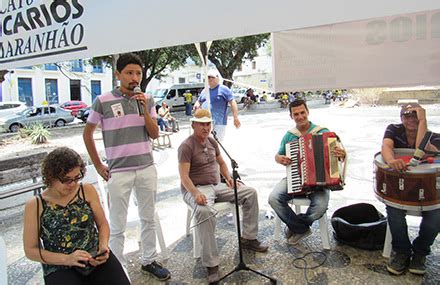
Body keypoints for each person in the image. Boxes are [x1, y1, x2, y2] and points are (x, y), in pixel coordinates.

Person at [83, 53, 170, 281]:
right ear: (118, 74)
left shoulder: (147, 99)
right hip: (119, 171)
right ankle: (116, 266)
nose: (134, 77)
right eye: (130, 73)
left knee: (148, 217)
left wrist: (143, 108)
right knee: (117, 222)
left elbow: (154, 134)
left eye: (138, 73)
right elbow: (88, 134)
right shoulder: (103, 101)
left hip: (145, 167)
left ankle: (149, 259)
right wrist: (99, 164)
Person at [178, 109, 268, 283]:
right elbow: (183, 176)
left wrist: (228, 177)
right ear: (193, 125)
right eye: (201, 124)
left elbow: (221, 162)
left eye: (208, 124)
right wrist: (195, 193)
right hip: (196, 188)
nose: (205, 127)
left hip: (216, 185)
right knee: (204, 212)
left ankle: (248, 238)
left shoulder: (212, 141)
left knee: (250, 193)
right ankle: (211, 264)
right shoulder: (186, 146)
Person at [22, 147, 130, 285]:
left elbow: (102, 224)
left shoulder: (86, 190)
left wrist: (103, 247)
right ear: (51, 177)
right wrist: (67, 259)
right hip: (59, 265)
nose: (73, 184)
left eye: (77, 178)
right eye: (66, 180)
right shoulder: (36, 205)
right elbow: (30, 250)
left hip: (93, 255)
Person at [268, 99, 346, 245]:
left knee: (320, 207)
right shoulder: (290, 135)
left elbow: (339, 157)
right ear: (291, 116)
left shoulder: (323, 132)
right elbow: (278, 156)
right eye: (296, 114)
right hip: (295, 177)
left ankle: (296, 226)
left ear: (308, 112)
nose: (300, 116)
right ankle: (301, 228)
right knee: (274, 198)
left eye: (302, 112)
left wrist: (341, 154)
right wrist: (281, 159)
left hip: (320, 183)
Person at [381, 103, 440, 276]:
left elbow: (420, 149)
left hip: (430, 193)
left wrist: (423, 121)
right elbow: (385, 147)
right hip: (400, 190)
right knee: (394, 211)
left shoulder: (433, 137)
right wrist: (391, 160)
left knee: (436, 216)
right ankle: (401, 251)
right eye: (407, 116)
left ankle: (420, 252)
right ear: (401, 118)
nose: (411, 119)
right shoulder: (393, 129)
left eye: (416, 116)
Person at [194, 69, 240, 142]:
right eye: (208, 77)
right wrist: (196, 105)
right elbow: (199, 101)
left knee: (216, 144)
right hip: (206, 121)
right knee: (205, 143)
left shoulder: (224, 89)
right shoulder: (205, 90)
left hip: (219, 122)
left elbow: (233, 102)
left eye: (212, 77)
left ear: (217, 78)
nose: (210, 79)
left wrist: (235, 118)